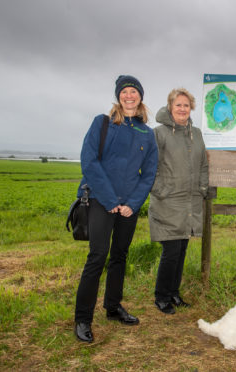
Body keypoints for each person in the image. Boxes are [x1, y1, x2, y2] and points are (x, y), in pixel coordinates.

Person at [74, 75, 158, 343]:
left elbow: (149, 173)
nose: (129, 95)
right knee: (98, 257)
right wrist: (111, 200)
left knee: (119, 256)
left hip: (128, 207)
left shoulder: (148, 132)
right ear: (118, 96)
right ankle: (82, 319)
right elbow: (89, 162)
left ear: (140, 97)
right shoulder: (103, 123)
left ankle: (112, 307)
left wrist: (132, 205)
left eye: (134, 91)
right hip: (101, 201)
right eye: (125, 92)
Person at [149, 88, 208, 315]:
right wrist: (161, 189)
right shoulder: (159, 133)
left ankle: (174, 292)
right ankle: (161, 296)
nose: (182, 109)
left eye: (186, 105)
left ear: (190, 108)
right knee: (171, 250)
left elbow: (203, 164)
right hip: (168, 202)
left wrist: (202, 188)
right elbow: (149, 167)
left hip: (190, 202)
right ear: (170, 107)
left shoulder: (197, 134)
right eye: (178, 105)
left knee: (182, 248)